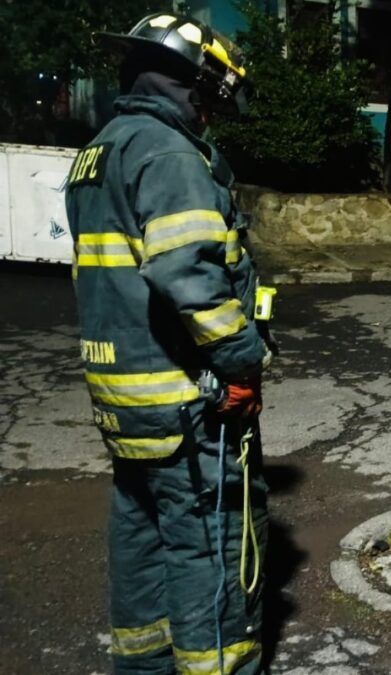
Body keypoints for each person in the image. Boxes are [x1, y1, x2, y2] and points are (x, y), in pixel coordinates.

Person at [66, 13, 273, 673]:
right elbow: (192, 280)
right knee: (208, 549)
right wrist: (243, 365)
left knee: (141, 534)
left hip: (124, 398)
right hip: (188, 403)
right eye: (214, 91)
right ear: (196, 80)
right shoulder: (169, 154)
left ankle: (146, 665)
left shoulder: (100, 151)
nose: (214, 108)